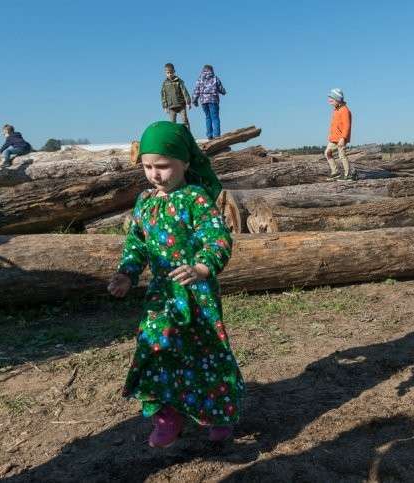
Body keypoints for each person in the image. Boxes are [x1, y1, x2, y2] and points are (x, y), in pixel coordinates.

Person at [108, 121, 244, 448]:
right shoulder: (145, 201)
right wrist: (126, 273)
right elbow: (137, 243)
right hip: (161, 295)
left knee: (205, 353)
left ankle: (217, 415)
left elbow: (217, 238)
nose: (155, 174)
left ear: (184, 162)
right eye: (148, 166)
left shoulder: (195, 199)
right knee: (156, 347)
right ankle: (167, 417)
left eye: (163, 166)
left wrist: (201, 267)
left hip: (197, 295)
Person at [325, 88, 354, 180]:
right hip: (334, 138)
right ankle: (335, 172)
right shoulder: (336, 110)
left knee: (342, 155)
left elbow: (347, 126)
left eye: (332, 99)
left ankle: (348, 174)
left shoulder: (345, 110)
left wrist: (343, 138)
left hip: (341, 138)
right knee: (327, 153)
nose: (329, 101)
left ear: (338, 99)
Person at [192, 65, 226, 140]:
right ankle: (217, 135)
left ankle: (209, 135)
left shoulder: (200, 79)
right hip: (213, 100)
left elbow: (196, 91)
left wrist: (194, 101)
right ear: (212, 70)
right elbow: (221, 89)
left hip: (204, 102)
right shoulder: (215, 78)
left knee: (208, 117)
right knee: (215, 117)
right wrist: (224, 92)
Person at [161, 63, 192, 130]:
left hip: (181, 105)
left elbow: (184, 91)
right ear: (165, 73)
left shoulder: (179, 81)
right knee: (172, 123)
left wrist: (188, 102)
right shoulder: (165, 83)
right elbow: (163, 95)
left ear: (174, 72)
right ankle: (174, 137)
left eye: (171, 73)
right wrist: (165, 106)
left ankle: (188, 133)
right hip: (171, 106)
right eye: (168, 73)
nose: (169, 74)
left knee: (184, 120)